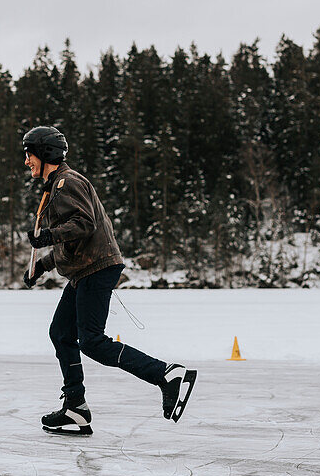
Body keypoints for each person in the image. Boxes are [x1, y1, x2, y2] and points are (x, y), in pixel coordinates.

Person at [20, 126, 197, 436]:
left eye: (29, 154)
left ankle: (166, 374)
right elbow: (71, 239)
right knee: (61, 333)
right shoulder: (57, 185)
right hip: (84, 269)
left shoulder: (66, 182)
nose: (26, 161)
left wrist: (48, 236)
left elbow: (84, 224)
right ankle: (76, 407)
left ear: (45, 153)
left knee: (91, 341)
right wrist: (43, 265)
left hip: (95, 268)